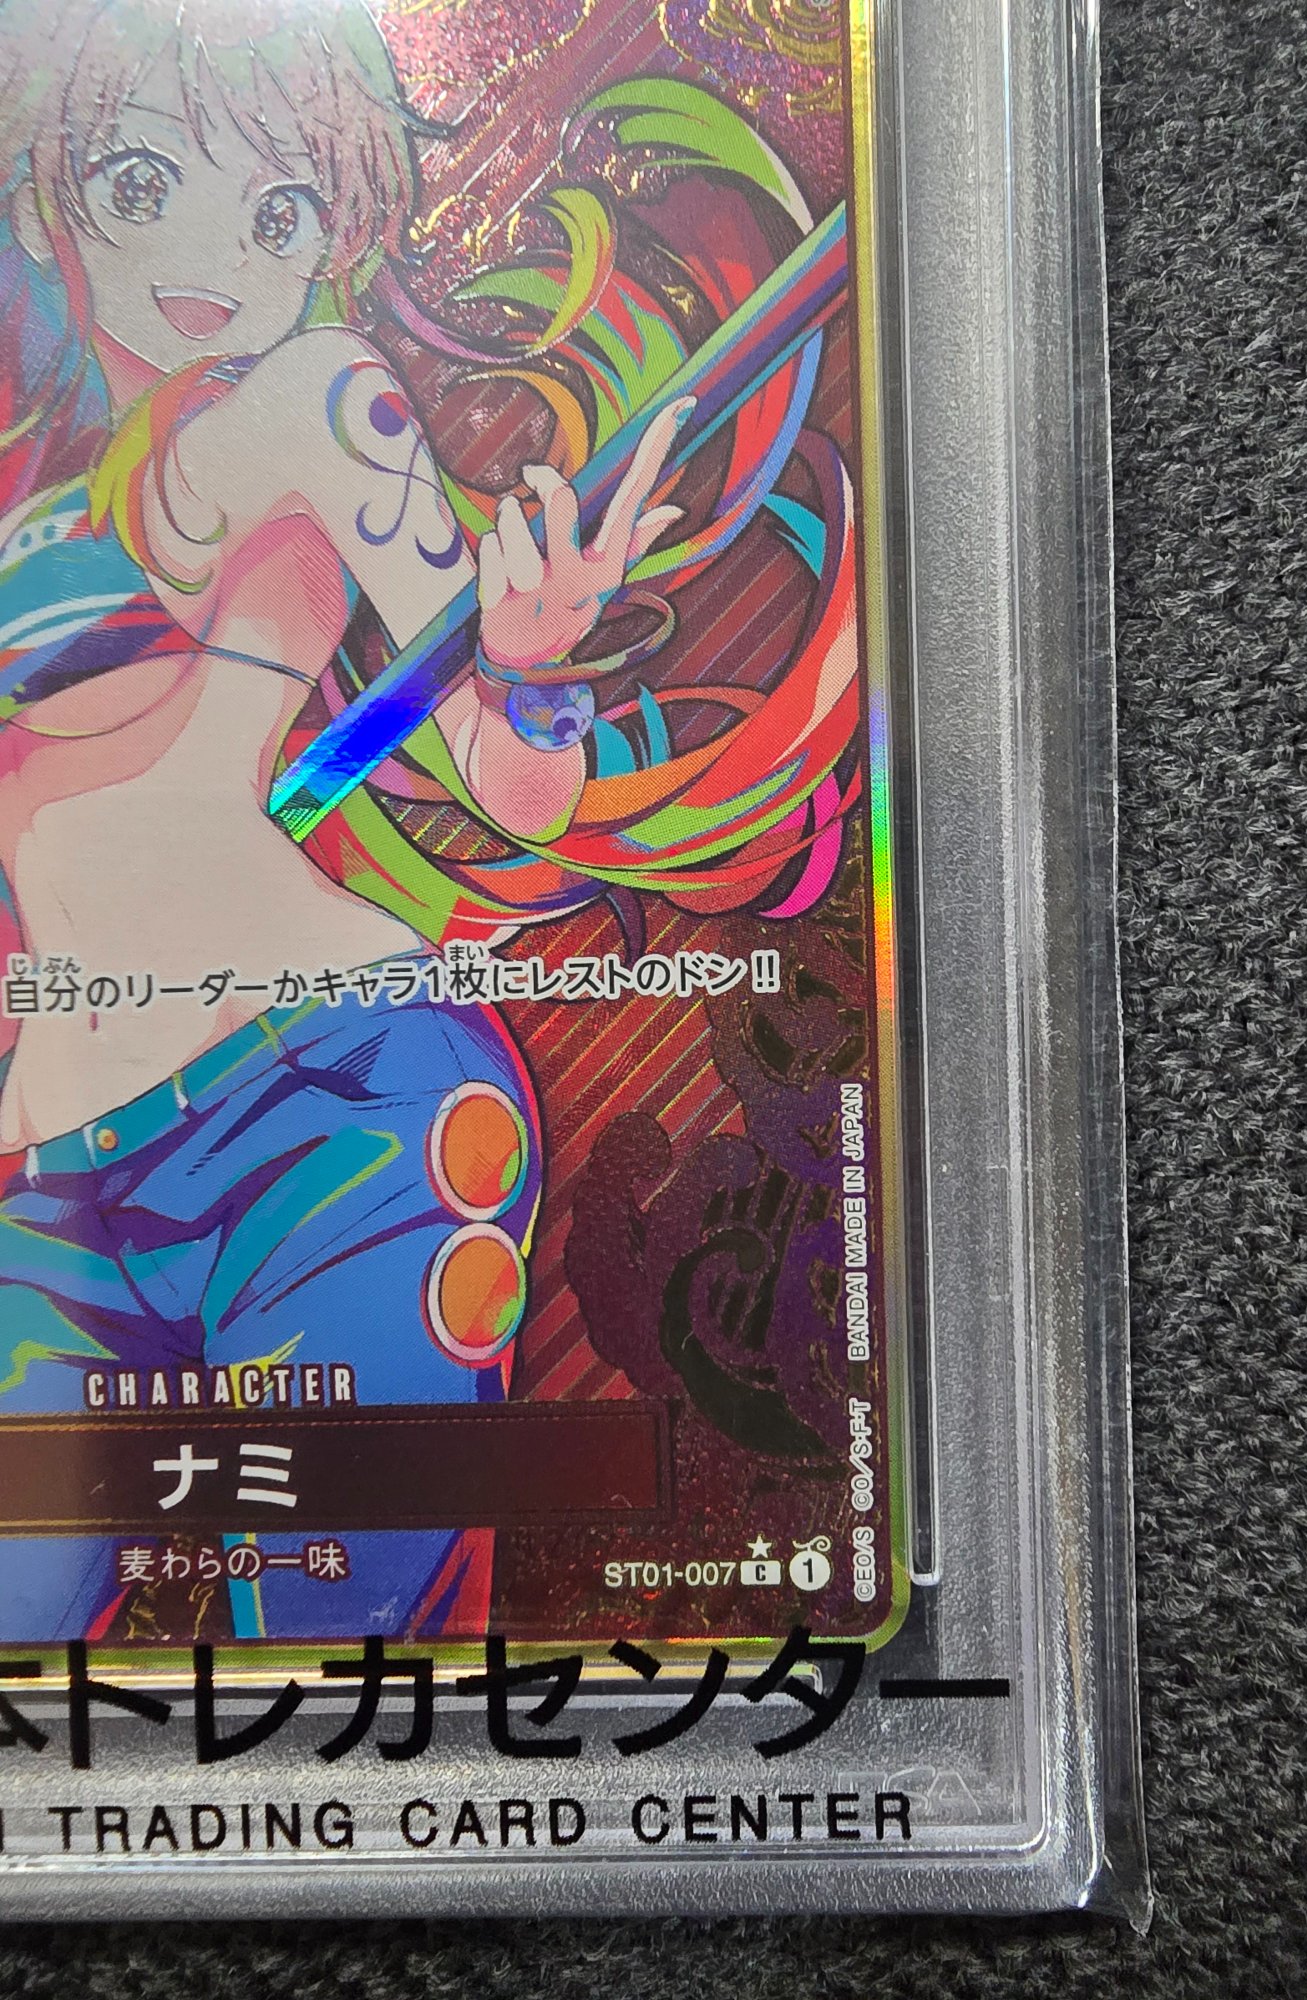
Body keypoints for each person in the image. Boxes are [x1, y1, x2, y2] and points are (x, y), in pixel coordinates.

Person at [0, 0, 858, 1641]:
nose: (213, 260)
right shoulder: (28, 500)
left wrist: (527, 674)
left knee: (344, 1674)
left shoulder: (312, 399)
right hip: (58, 1193)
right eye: (141, 183)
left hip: (323, 1105)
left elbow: (508, 777)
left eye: (280, 214)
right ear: (46, 201)